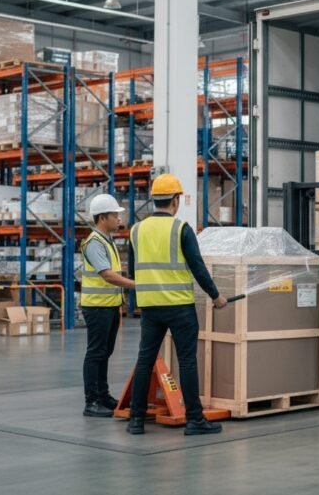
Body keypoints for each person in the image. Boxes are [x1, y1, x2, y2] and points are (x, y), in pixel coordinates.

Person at [126, 173, 229, 436]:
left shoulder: (136, 230)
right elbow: (198, 268)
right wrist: (216, 296)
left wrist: (135, 303)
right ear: (176, 200)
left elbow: (132, 270)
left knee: (144, 360)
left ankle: (136, 420)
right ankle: (195, 420)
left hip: (150, 307)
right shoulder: (181, 229)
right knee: (187, 362)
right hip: (180, 307)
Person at [80, 194, 136, 418]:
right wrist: (137, 285)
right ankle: (91, 401)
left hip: (110, 307)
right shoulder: (94, 243)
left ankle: (103, 396)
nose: (118, 219)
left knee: (105, 352)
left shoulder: (107, 240)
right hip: (97, 308)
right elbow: (108, 275)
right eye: (115, 215)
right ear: (102, 217)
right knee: (96, 354)